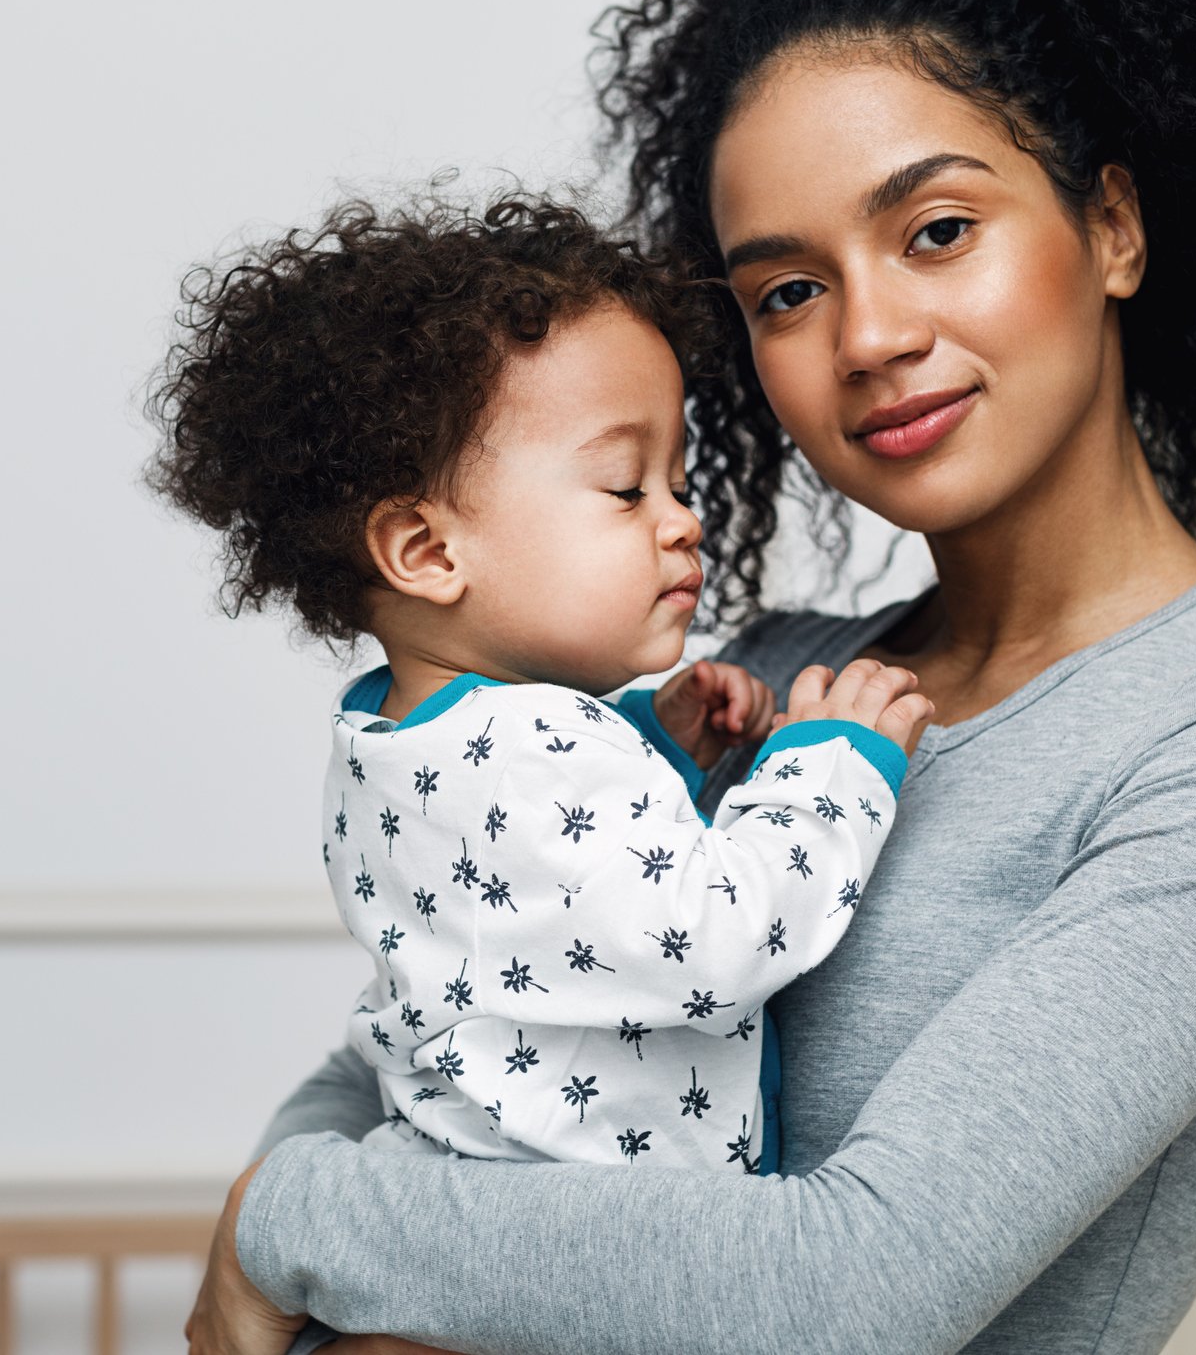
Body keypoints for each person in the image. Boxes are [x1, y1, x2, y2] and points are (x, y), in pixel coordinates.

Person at [186, 0, 1196, 1351]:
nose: (870, 335)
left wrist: (288, 1222)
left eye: (936, 231)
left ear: (1110, 228)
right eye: (787, 291)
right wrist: (322, 1197)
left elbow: (849, 1292)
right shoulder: (752, 684)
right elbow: (435, 1039)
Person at [146, 197, 933, 1177]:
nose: (684, 521)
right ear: (429, 550)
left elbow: (539, 894)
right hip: (606, 1259)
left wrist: (649, 730)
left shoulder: (384, 740)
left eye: (680, 484)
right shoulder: (538, 755)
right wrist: (828, 768)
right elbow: (713, 946)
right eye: (623, 487)